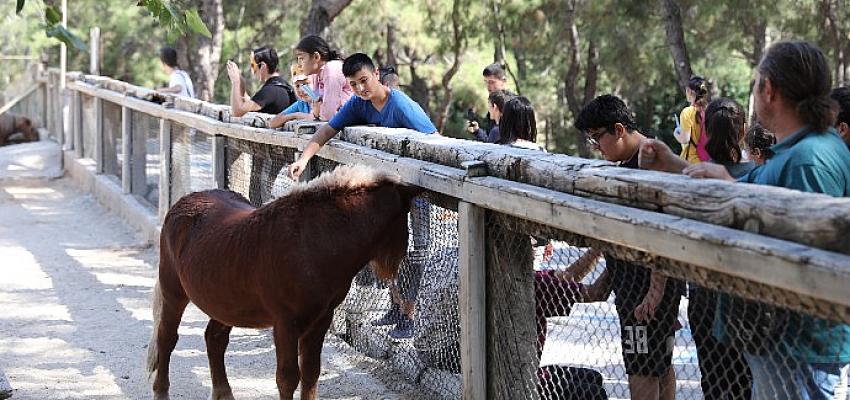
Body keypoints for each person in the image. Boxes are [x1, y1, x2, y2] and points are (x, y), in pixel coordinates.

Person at [640, 40, 850, 400]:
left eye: (756, 84)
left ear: (768, 90)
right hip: (785, 347)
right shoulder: (798, 151)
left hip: (799, 350)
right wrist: (673, 165)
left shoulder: (808, 161)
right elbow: (741, 187)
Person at [288, 53, 436, 338]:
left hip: (416, 189)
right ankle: (396, 306)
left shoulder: (401, 105)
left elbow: (434, 140)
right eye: (353, 84)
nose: (360, 89)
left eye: (364, 81)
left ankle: (410, 314)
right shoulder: (358, 104)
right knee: (389, 248)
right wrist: (304, 159)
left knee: (418, 251)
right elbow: (326, 131)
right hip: (388, 194)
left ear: (376, 74)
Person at [575, 94, 684, 400]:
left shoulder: (651, 160)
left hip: (646, 288)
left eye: (598, 138)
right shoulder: (626, 161)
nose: (597, 147)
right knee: (660, 364)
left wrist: (655, 290)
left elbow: (662, 230)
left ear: (619, 129)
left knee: (642, 369)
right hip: (638, 285)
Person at [294, 35, 353, 121]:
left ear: (316, 57)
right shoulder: (316, 74)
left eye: (302, 58)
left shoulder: (331, 70)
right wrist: (317, 112)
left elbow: (327, 115)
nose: (299, 65)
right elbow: (315, 106)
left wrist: (317, 112)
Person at [226, 46, 295, 117]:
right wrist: (241, 82)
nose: (253, 71)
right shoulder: (283, 86)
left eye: (253, 65)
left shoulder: (270, 91)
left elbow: (237, 112)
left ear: (263, 66)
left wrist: (236, 82)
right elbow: (250, 103)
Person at [674, 75, 711, 164]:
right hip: (709, 160)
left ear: (689, 91)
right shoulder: (710, 110)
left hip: (692, 161)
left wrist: (676, 134)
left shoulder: (687, 112)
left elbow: (685, 139)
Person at [468, 63, 508, 143]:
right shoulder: (493, 104)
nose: (488, 86)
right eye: (486, 82)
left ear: (503, 81)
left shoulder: (514, 105)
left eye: (492, 82)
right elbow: (491, 142)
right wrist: (478, 131)